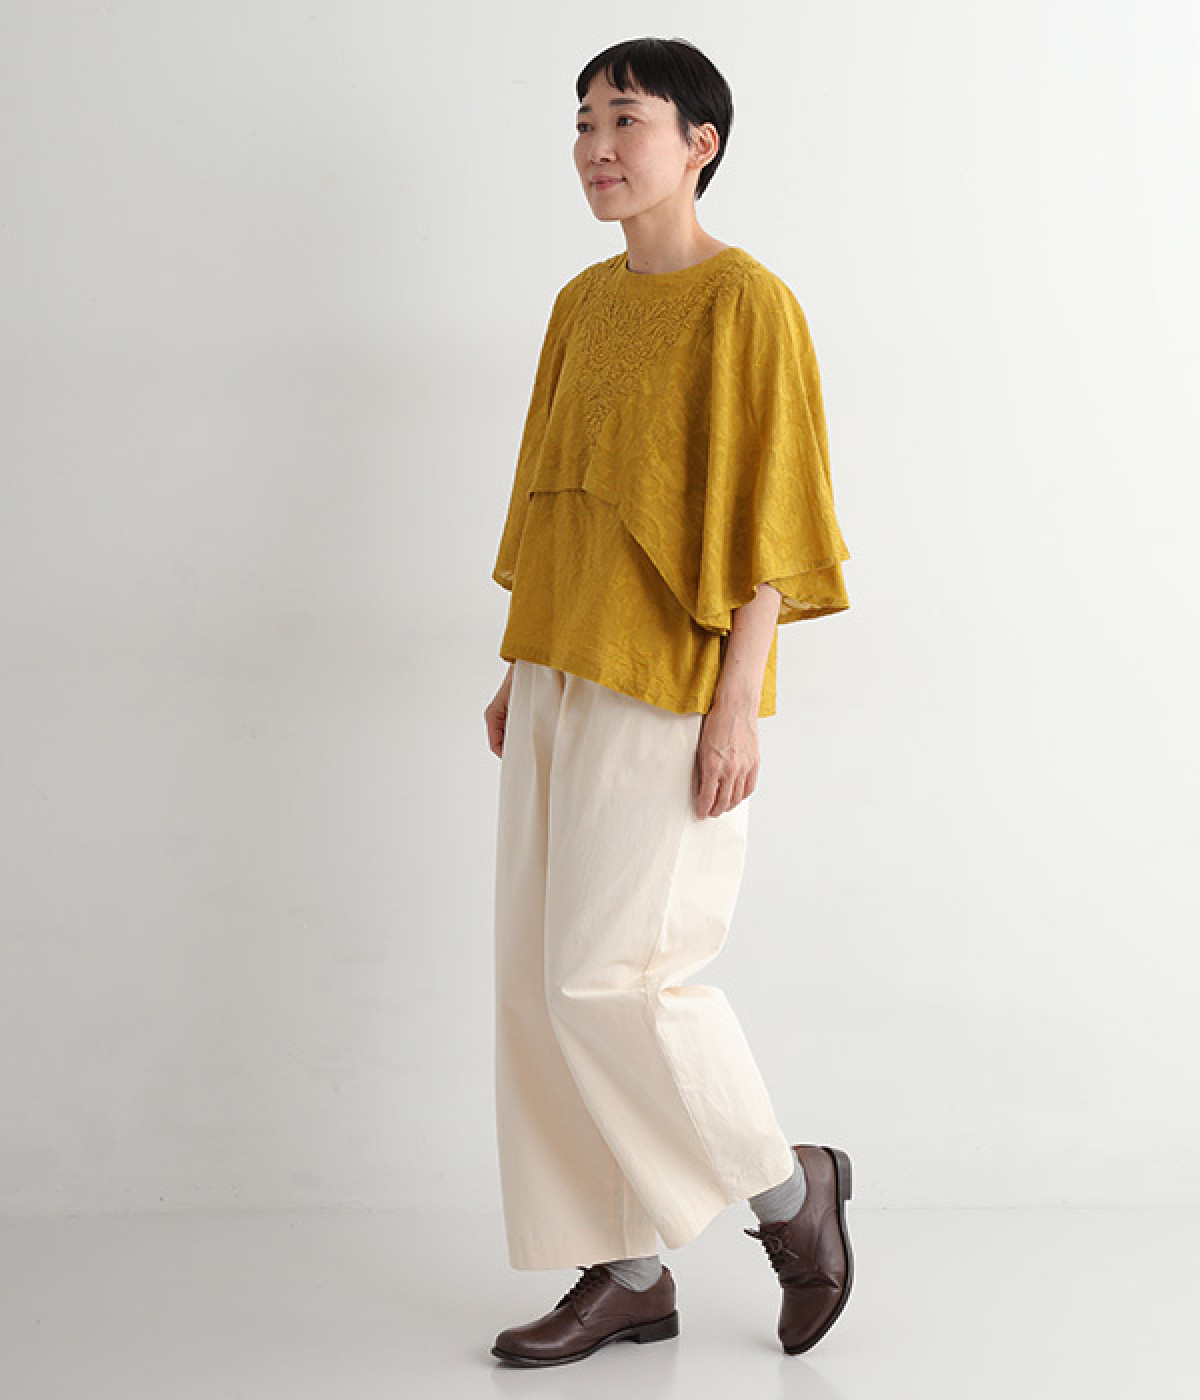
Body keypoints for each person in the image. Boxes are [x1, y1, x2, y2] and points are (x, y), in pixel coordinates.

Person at [482, 35, 855, 1368]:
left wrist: (736, 702)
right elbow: (552, 488)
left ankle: (791, 1192)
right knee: (540, 984)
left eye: (625, 119)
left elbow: (774, 512)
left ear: (701, 142)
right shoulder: (582, 302)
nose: (597, 145)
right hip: (558, 667)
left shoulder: (747, 302)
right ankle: (630, 1270)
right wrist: (516, 661)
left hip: (669, 680)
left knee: (618, 978)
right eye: (584, 120)